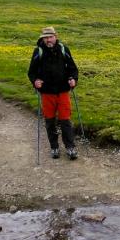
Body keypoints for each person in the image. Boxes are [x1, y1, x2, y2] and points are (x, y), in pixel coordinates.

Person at [27, 26, 79, 159]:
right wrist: (35, 82)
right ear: (42, 39)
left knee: (65, 120)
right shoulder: (38, 51)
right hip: (47, 93)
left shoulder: (63, 49)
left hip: (62, 91)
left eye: (50, 37)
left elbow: (73, 68)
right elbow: (31, 72)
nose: (48, 40)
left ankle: (70, 147)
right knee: (50, 121)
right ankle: (54, 147)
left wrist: (73, 79)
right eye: (45, 38)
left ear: (55, 36)